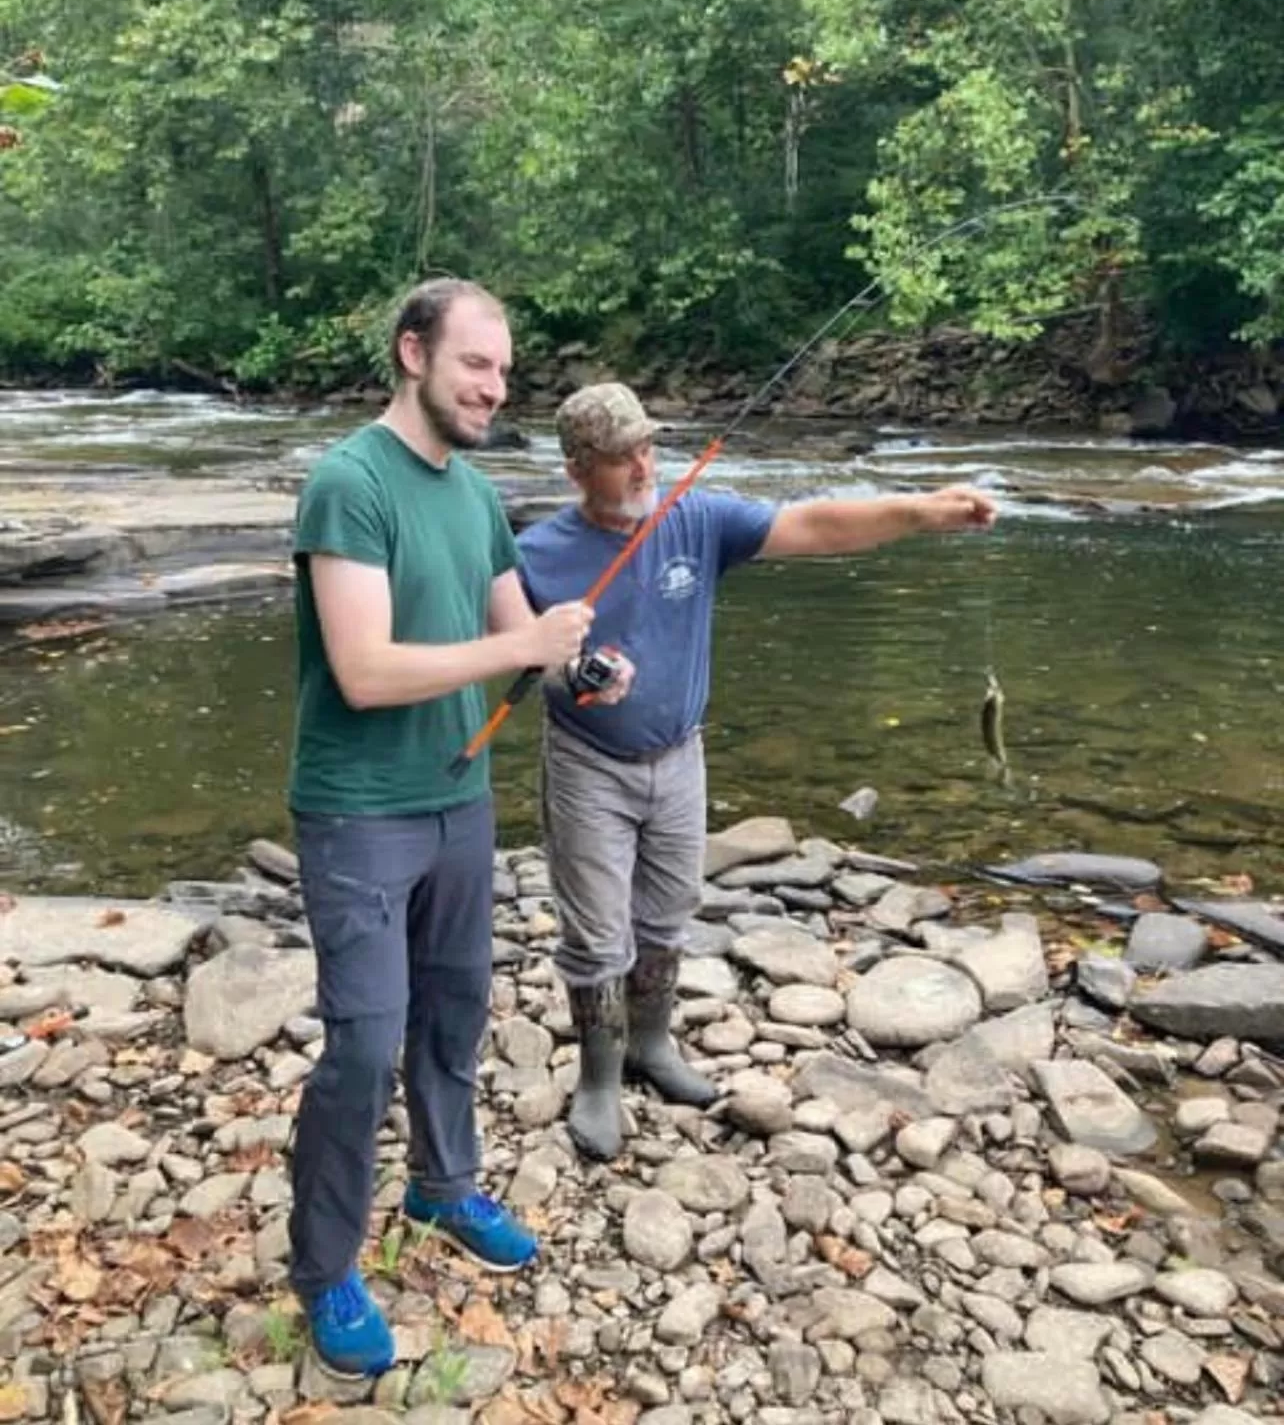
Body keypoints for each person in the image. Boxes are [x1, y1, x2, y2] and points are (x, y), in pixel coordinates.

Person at [517, 382, 997, 1162]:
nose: (643, 466)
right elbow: (522, 657)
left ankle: (653, 1045)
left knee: (669, 912)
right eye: (619, 458)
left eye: (648, 447)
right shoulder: (536, 553)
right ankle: (599, 1076)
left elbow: (813, 524)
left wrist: (919, 512)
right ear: (577, 469)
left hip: (680, 755)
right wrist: (570, 675)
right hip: (587, 765)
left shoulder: (696, 519)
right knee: (599, 932)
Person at [286, 278, 598, 1377]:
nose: (494, 387)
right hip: (358, 809)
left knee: (455, 1013)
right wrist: (522, 649)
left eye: (504, 370)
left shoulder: (472, 496)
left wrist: (579, 662)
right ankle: (325, 1265)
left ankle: (442, 1184)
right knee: (365, 1042)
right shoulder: (347, 484)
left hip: (459, 800)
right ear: (412, 352)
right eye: (476, 364)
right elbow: (366, 672)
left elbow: (524, 633)